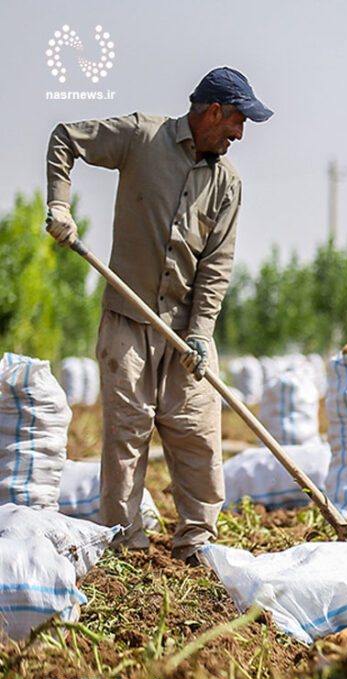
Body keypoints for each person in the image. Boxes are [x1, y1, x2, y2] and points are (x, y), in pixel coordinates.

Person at [44, 67, 273, 565]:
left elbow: (216, 269)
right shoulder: (140, 137)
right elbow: (66, 138)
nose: (239, 133)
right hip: (128, 320)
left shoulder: (227, 184)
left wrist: (200, 335)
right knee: (127, 435)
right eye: (237, 121)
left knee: (197, 433)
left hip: (187, 330)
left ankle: (197, 545)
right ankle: (125, 545)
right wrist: (59, 205)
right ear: (213, 112)